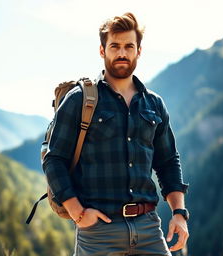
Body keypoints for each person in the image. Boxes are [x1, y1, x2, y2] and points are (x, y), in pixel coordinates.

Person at [43, 12, 189, 256]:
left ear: (138, 51)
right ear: (102, 51)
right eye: (115, 46)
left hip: (148, 228)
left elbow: (168, 162)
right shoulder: (79, 100)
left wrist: (179, 213)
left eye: (129, 46)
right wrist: (78, 212)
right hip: (98, 232)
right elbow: (54, 159)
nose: (122, 53)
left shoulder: (154, 104)